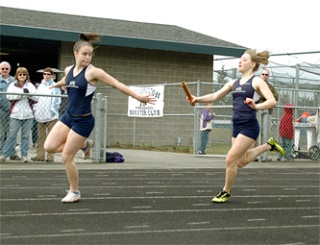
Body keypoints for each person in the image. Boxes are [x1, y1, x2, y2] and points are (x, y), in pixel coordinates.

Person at [44, 33, 157, 203]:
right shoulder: (68, 69)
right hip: (68, 117)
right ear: (76, 54)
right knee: (49, 147)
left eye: (90, 54)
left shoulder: (94, 72)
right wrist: (56, 84)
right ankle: (84, 144)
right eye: (84, 54)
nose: (88, 57)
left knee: (67, 157)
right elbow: (67, 80)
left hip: (83, 121)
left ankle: (74, 192)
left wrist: (139, 97)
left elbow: (117, 84)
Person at [186, 49, 285, 203]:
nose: (240, 62)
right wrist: (196, 98)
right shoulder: (234, 83)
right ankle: (268, 146)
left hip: (249, 126)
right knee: (240, 161)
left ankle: (226, 191)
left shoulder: (256, 82)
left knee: (230, 159)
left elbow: (272, 101)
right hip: (237, 125)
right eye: (240, 59)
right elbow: (215, 96)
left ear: (253, 64)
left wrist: (255, 107)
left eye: (244, 60)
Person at [0, 67, 38, 163]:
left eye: (24, 74)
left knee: (25, 136)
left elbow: (37, 98)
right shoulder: (12, 85)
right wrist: (20, 95)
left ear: (26, 76)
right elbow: (9, 96)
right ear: (17, 75)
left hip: (28, 114)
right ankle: (4, 154)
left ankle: (24, 156)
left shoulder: (30, 85)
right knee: (12, 135)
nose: (22, 76)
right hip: (15, 114)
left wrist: (29, 95)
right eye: (20, 74)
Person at [31, 67, 61, 162]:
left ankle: (50, 157)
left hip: (52, 117)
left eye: (48, 74)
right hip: (41, 115)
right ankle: (40, 156)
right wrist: (36, 111)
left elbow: (56, 101)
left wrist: (52, 112)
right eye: (45, 74)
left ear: (52, 75)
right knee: (41, 137)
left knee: (52, 137)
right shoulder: (40, 86)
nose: (46, 76)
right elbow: (36, 99)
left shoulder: (55, 86)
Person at [253, 68, 278, 161]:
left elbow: (276, 97)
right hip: (257, 110)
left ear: (268, 76)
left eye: (266, 75)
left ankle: (264, 156)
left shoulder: (270, 87)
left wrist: (267, 97)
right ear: (260, 75)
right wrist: (267, 96)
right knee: (255, 134)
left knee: (265, 134)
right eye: (263, 74)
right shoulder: (256, 85)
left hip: (267, 110)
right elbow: (255, 96)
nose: (264, 76)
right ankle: (254, 155)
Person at [0, 61, 22, 161]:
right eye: (2, 68)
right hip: (1, 111)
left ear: (9, 70)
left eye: (6, 69)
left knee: (12, 133)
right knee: (1, 133)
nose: (4, 70)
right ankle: (1, 153)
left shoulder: (15, 81)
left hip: (14, 111)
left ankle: (12, 153)